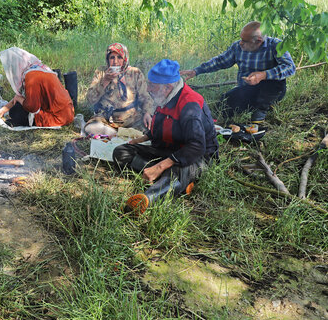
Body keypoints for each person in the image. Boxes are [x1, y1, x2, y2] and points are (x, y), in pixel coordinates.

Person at [112, 59, 219, 214]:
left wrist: (159, 166)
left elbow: (197, 146)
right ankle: (178, 183)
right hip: (169, 150)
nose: (148, 89)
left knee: (179, 170)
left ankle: (148, 198)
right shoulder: (165, 96)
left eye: (152, 86)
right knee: (121, 152)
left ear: (168, 87)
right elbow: (161, 125)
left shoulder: (190, 105)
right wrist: (141, 140)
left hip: (197, 156)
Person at [180, 21, 296, 124]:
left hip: (271, 90)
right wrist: (197, 71)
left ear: (258, 41)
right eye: (241, 39)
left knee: (273, 84)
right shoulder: (237, 47)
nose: (241, 43)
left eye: (245, 41)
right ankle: (253, 105)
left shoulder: (275, 45)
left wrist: (263, 75)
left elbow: (290, 67)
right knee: (223, 105)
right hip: (246, 89)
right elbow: (220, 61)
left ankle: (262, 109)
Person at [0, 47, 74, 127]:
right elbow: (24, 95)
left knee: (16, 111)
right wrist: (4, 109)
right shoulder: (38, 68)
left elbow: (32, 107)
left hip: (57, 118)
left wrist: (18, 99)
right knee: (16, 107)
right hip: (67, 113)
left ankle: (22, 122)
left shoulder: (31, 76)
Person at [84, 43, 154, 136]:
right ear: (107, 59)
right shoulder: (101, 72)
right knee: (91, 128)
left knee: (152, 126)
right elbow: (90, 99)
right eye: (112, 57)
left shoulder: (135, 73)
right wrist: (105, 80)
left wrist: (147, 113)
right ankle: (119, 135)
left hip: (131, 119)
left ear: (125, 58)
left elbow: (145, 97)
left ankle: (118, 135)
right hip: (106, 119)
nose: (115, 62)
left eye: (119, 57)